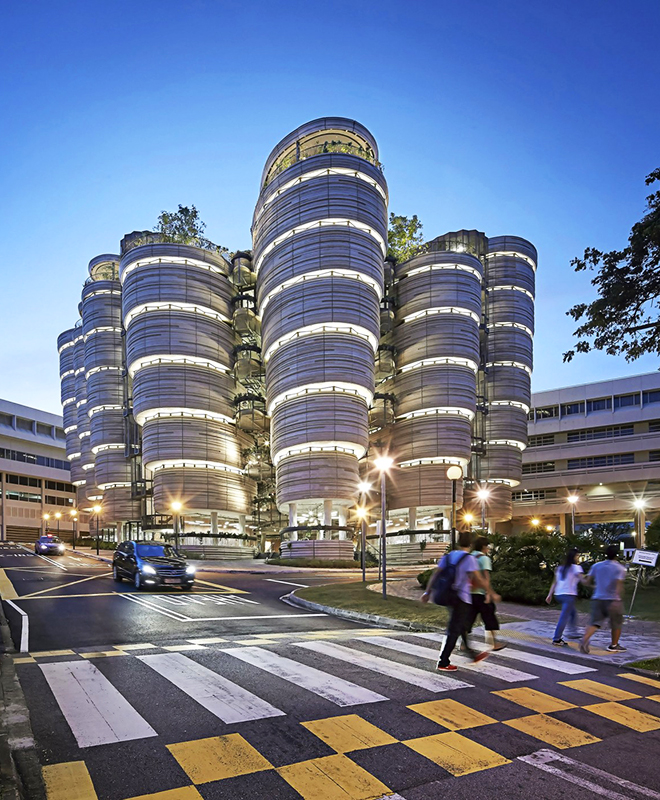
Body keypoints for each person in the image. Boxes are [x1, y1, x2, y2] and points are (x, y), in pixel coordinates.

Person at [421, 530, 490, 672]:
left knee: (460, 625)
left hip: (448, 595)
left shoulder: (448, 557)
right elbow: (477, 578)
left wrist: (428, 592)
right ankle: (444, 661)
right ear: (471, 544)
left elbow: (435, 575)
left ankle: (470, 653)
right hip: (461, 598)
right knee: (455, 629)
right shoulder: (469, 559)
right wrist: (490, 592)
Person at [580, 544, 627, 654]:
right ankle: (614, 645)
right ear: (617, 555)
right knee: (616, 623)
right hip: (612, 599)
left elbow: (587, 582)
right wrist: (617, 599)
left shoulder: (597, 566)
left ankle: (584, 639)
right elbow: (619, 585)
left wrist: (591, 585)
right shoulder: (619, 568)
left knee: (595, 622)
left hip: (598, 598)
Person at [466, 536, 506, 651]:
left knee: (468, 618)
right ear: (484, 546)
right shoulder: (483, 558)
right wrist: (489, 593)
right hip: (481, 593)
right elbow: (485, 577)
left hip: (468, 592)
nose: (488, 548)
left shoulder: (469, 556)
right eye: (487, 546)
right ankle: (494, 643)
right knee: (489, 617)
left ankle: (463, 643)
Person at [546, 547, 584, 646]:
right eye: (577, 556)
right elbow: (583, 580)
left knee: (573, 613)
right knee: (564, 617)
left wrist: (549, 594)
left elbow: (555, 582)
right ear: (574, 557)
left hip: (558, 594)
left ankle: (573, 632)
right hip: (569, 595)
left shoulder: (560, 568)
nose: (578, 558)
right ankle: (556, 638)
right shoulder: (576, 568)